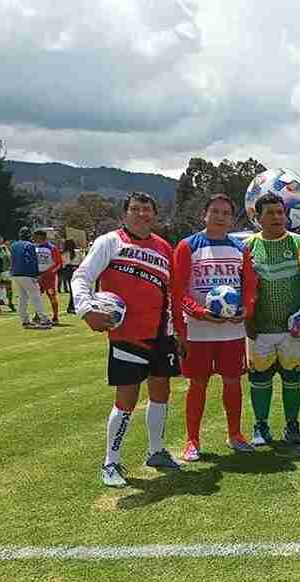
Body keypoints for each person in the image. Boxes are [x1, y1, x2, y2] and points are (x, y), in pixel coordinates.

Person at [71, 192, 182, 488]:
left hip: (161, 335)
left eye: (147, 209)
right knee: (126, 400)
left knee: (161, 393)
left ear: (154, 215)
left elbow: (171, 292)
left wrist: (177, 331)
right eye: (135, 209)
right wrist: (85, 309)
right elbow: (81, 276)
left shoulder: (163, 248)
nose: (142, 214)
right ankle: (110, 462)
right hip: (126, 337)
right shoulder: (110, 242)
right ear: (125, 215)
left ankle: (156, 451)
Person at [172, 193, 258, 462]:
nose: (220, 217)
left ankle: (235, 435)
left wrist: (246, 308)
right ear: (204, 215)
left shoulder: (240, 248)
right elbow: (178, 290)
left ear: (231, 219)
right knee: (198, 384)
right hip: (199, 331)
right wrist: (199, 313)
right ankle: (192, 441)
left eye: (225, 213)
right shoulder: (188, 246)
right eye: (215, 212)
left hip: (232, 331)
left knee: (233, 382)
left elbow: (250, 285)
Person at [244, 193, 300, 450]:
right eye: (270, 213)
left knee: (293, 379)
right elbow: (241, 285)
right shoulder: (247, 246)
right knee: (260, 379)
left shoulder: (299, 243)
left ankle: (292, 425)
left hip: (294, 328)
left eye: (280, 212)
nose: (277, 217)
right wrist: (246, 317)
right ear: (257, 218)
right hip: (260, 328)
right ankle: (261, 424)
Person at [10, 227, 51, 329]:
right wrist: (36, 274)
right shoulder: (30, 245)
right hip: (27, 274)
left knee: (22, 298)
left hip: (15, 273)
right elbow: (32, 260)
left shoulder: (14, 245)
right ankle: (44, 319)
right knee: (35, 297)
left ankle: (25, 320)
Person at [33, 229, 63, 324]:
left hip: (48, 278)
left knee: (52, 296)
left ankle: (55, 317)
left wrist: (47, 273)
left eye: (35, 237)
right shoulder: (35, 248)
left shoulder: (52, 248)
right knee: (36, 296)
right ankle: (37, 315)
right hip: (37, 277)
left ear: (40, 237)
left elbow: (58, 263)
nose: (33, 239)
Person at [60, 239, 82, 313]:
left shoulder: (64, 253)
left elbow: (63, 264)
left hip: (68, 270)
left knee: (72, 289)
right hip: (76, 269)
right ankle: (73, 306)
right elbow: (82, 261)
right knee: (76, 289)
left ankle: (71, 306)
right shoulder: (78, 252)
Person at [0, 235, 15, 312]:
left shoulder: (4, 248)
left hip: (5, 271)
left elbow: (9, 258)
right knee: (1, 288)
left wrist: (10, 267)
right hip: (1, 271)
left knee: (9, 287)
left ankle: (10, 302)